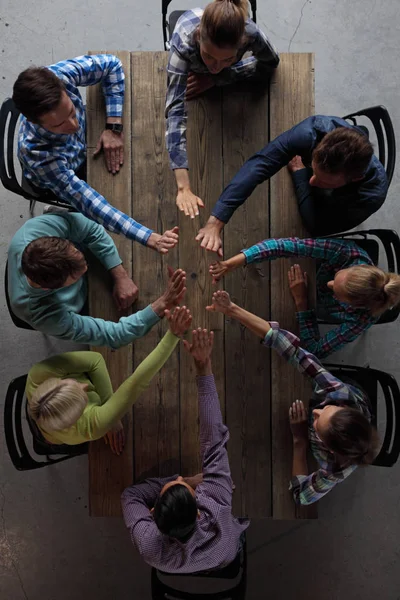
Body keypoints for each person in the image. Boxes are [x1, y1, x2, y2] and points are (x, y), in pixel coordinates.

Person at [207, 290, 379, 505]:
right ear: (344, 408)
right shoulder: (338, 393)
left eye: (317, 421)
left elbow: (301, 496)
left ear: (329, 448)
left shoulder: (336, 468)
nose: (315, 411)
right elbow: (291, 349)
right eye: (326, 409)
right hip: (356, 393)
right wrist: (232, 309)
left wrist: (299, 440)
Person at [13, 54, 178, 256]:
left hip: (85, 148)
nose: (73, 125)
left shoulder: (57, 76)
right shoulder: (38, 155)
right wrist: (148, 237)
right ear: (34, 121)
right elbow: (90, 203)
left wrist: (113, 126)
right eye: (59, 124)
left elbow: (112, 65)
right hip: (65, 174)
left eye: (72, 112)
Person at [121, 328, 249, 573]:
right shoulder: (216, 503)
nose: (179, 479)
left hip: (216, 557)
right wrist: (203, 367)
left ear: (152, 513)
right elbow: (214, 438)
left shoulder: (151, 545)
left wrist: (188, 482)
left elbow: (130, 495)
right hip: (227, 551)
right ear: (199, 513)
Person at [196, 116, 388, 254]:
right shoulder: (311, 131)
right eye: (313, 169)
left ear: (354, 178)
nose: (313, 181)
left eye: (324, 181)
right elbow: (259, 165)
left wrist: (300, 175)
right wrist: (215, 222)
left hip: (337, 207)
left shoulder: (370, 197)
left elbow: (318, 227)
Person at [166, 0, 279, 219]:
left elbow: (270, 62)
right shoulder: (184, 42)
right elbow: (175, 111)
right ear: (199, 36)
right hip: (189, 62)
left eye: (227, 58)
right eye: (208, 56)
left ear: (242, 43)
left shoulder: (251, 33)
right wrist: (183, 187)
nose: (215, 67)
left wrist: (221, 78)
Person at [26, 306, 192, 454]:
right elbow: (137, 382)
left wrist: (109, 408)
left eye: (72, 383)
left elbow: (95, 359)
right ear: (78, 416)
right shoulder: (93, 427)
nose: (84, 385)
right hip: (58, 435)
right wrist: (173, 335)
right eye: (83, 397)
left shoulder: (37, 375)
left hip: (52, 426)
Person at [7, 211, 186, 347]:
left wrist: (120, 275)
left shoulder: (34, 230)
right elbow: (114, 335)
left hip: (100, 273)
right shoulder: (44, 316)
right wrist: (163, 303)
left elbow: (91, 229)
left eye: (75, 252)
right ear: (52, 289)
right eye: (77, 274)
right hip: (78, 309)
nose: (85, 267)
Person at [209, 236, 400, 357]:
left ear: (353, 304)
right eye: (335, 277)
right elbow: (285, 245)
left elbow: (315, 351)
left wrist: (302, 303)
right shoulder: (348, 254)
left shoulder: (361, 320)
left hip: (310, 307)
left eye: (336, 292)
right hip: (307, 271)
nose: (329, 284)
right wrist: (234, 263)